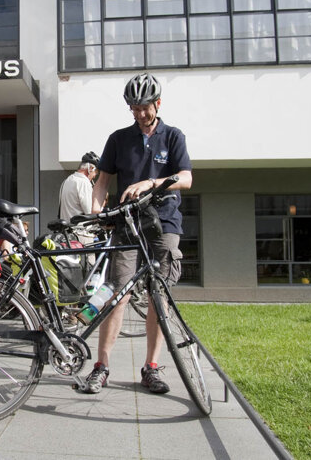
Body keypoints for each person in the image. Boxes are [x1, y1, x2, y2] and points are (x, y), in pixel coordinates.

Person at [81, 72, 192, 395]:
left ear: (158, 104)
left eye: (145, 107)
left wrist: (151, 183)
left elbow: (185, 177)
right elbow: (102, 182)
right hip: (128, 225)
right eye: (134, 108)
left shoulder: (173, 136)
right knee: (116, 292)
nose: (140, 113)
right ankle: (101, 366)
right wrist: (96, 214)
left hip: (165, 224)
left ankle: (152, 367)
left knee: (159, 295)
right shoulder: (118, 139)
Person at [58, 151, 99, 221]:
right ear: (91, 168)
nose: (94, 176)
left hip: (66, 229)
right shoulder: (83, 182)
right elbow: (90, 212)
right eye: (96, 172)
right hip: (80, 229)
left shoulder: (67, 181)